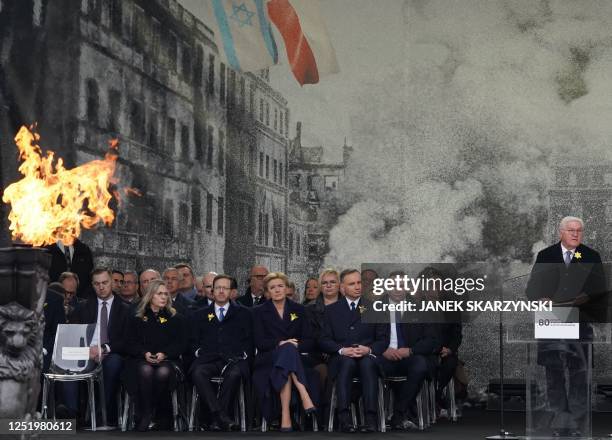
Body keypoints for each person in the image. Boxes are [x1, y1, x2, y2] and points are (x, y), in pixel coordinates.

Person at [526, 216, 607, 436]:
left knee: (579, 375)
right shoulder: (546, 256)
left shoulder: (590, 256)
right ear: (560, 232)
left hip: (579, 324)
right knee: (555, 375)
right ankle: (561, 423)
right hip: (552, 321)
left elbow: (600, 289)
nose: (575, 234)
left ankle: (578, 423)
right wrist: (541, 298)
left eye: (579, 231)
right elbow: (531, 289)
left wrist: (582, 299)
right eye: (571, 230)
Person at [319, 269, 389, 433]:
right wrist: (342, 350)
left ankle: (370, 418)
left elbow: (383, 340)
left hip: (367, 356)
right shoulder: (331, 311)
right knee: (347, 363)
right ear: (342, 287)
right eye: (352, 284)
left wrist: (369, 349)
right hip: (342, 357)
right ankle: (344, 418)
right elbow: (323, 339)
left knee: (367, 364)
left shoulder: (375, 308)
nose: (357, 286)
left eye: (359, 282)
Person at [252, 272, 318, 431]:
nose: (277, 290)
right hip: (268, 357)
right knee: (286, 349)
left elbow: (309, 340)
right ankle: (303, 393)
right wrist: (281, 343)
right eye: (272, 287)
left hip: (294, 359)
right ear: (267, 292)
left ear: (287, 288)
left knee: (287, 358)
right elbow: (260, 343)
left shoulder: (300, 310)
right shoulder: (258, 312)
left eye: (280, 286)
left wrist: (294, 346)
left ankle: (285, 415)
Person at [64, 268, 130, 424]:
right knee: (69, 361)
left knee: (113, 363)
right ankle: (71, 413)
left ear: (112, 283)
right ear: (92, 285)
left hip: (111, 353)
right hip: (87, 353)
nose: (101, 287)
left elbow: (127, 340)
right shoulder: (82, 307)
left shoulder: (126, 309)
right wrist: (86, 351)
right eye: (97, 284)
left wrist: (104, 348)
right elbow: (73, 335)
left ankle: (103, 414)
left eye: (105, 283)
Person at [190, 275, 253, 431]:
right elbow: (192, 341)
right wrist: (198, 352)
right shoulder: (200, 314)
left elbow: (250, 340)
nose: (221, 291)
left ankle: (216, 418)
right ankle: (221, 416)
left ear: (231, 291)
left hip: (234, 361)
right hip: (208, 360)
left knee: (234, 374)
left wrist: (243, 355)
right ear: (212, 290)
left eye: (225, 288)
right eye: (218, 288)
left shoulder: (244, 313)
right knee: (198, 372)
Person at [124, 279, 186, 431]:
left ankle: (150, 413)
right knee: (146, 370)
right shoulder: (137, 316)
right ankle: (148, 413)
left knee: (163, 372)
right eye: (159, 294)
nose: (164, 297)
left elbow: (182, 344)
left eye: (166, 294)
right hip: (139, 360)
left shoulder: (175, 318)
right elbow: (129, 342)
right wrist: (144, 353)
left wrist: (164, 354)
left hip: (168, 360)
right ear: (151, 296)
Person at [380, 271, 438, 430]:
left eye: (402, 285)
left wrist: (411, 350)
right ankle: (374, 417)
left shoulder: (421, 308)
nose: (398, 289)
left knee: (420, 364)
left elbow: (432, 341)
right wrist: (383, 349)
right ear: (386, 287)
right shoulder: (374, 308)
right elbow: (365, 338)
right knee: (367, 365)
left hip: (409, 358)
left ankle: (398, 414)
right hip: (383, 357)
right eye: (393, 285)